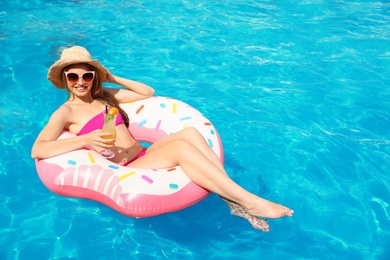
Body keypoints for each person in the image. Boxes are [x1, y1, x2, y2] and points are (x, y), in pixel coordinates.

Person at [31, 46, 293, 231]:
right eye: (73, 76)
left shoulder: (106, 96)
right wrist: (84, 139)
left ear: (93, 77)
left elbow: (147, 91)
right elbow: (38, 149)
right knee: (180, 146)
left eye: (87, 75)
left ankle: (231, 200)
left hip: (143, 155)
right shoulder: (65, 112)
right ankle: (251, 201)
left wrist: (110, 77)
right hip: (126, 167)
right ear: (65, 79)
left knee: (190, 133)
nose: (81, 81)